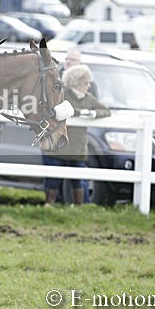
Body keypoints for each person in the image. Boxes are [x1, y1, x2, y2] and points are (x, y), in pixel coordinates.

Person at [42, 64, 110, 205]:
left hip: (77, 149)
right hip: (58, 148)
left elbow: (106, 111)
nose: (89, 86)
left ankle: (79, 207)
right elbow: (55, 109)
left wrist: (93, 114)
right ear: (77, 82)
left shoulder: (88, 98)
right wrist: (80, 113)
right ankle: (48, 204)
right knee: (53, 180)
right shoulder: (62, 94)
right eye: (86, 83)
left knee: (78, 180)